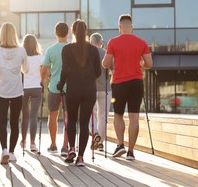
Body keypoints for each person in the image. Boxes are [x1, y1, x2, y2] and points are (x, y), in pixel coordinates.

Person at [102, 14, 153, 160]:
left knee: (118, 114)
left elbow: (105, 64)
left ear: (119, 27)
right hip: (136, 82)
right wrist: (140, 63)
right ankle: (131, 152)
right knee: (134, 116)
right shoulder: (141, 42)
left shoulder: (113, 42)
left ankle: (120, 145)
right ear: (131, 27)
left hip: (119, 83)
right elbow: (149, 64)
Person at [57, 20, 101, 166]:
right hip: (89, 91)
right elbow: (98, 72)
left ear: (73, 32)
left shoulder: (67, 50)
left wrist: (60, 84)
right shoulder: (94, 50)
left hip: (73, 90)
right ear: (86, 32)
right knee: (84, 124)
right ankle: (81, 157)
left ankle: (71, 149)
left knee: (71, 121)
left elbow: (64, 71)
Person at [0, 22, 29, 164]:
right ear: (14, 34)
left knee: (2, 122)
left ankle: (4, 150)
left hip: (0, 91)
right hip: (17, 91)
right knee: (14, 123)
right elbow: (26, 70)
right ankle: (12, 152)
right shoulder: (21, 50)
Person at [40, 22, 69, 157]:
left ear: (55, 33)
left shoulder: (51, 50)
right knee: (68, 117)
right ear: (67, 33)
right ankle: (65, 146)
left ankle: (53, 145)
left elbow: (44, 69)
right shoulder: (72, 48)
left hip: (54, 87)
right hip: (70, 88)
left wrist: (43, 79)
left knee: (53, 116)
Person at [88, 33, 112, 152]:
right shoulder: (106, 53)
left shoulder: (88, 53)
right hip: (105, 88)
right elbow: (113, 69)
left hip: (90, 88)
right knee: (102, 116)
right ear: (101, 42)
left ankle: (95, 132)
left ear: (91, 42)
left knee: (90, 112)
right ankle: (101, 142)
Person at [20, 34, 44, 152]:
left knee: (25, 116)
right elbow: (44, 71)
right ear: (36, 44)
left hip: (24, 88)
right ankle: (33, 143)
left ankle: (23, 141)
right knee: (34, 115)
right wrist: (43, 80)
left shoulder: (22, 57)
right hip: (37, 88)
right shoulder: (40, 58)